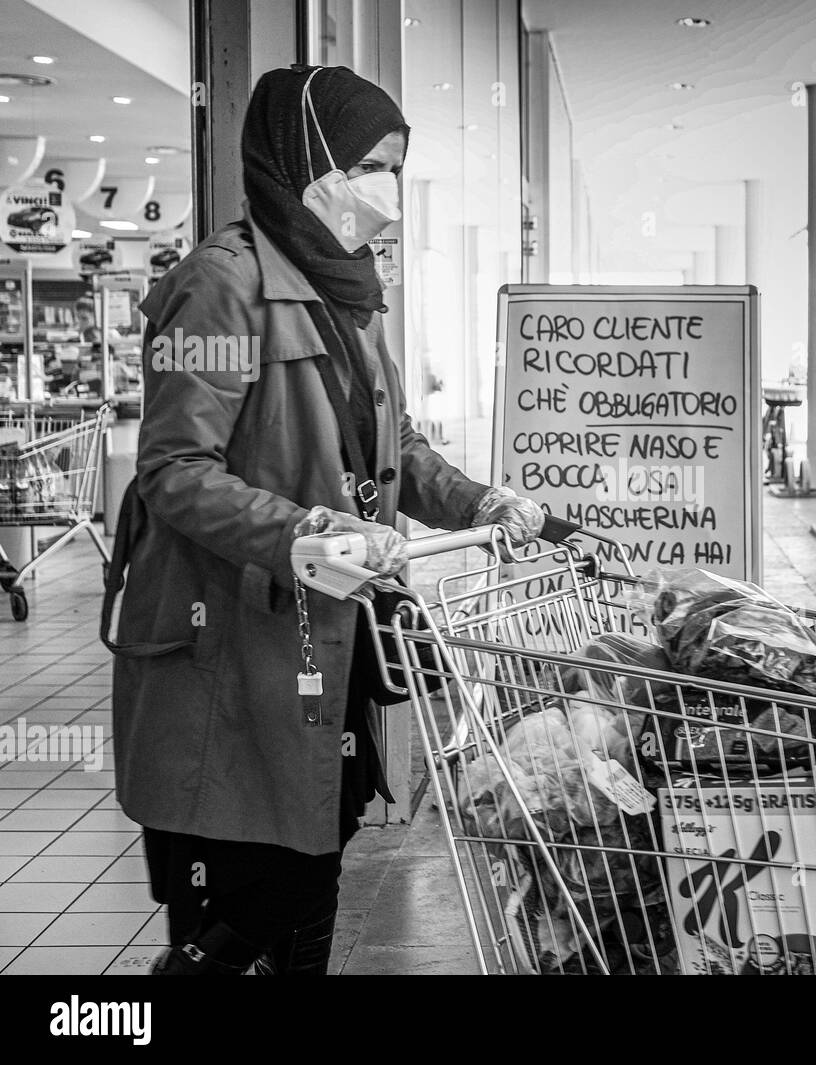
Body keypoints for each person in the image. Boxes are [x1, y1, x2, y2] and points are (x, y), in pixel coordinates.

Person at [105, 64, 544, 976]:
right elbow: (173, 470)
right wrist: (301, 531)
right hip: (226, 656)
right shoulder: (218, 287)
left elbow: (390, 443)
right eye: (373, 165)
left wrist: (479, 501)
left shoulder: (347, 289)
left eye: (395, 168)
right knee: (250, 898)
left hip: (318, 649)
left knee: (311, 882)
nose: (386, 190)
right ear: (310, 159)